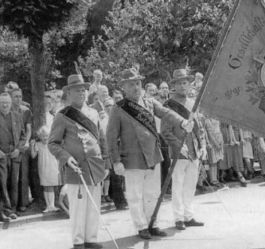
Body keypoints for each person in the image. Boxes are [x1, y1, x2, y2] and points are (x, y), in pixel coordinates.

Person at [107, 68, 193, 239]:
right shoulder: (118, 109)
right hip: (132, 159)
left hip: (152, 155)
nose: (135, 87)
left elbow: (166, 113)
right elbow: (111, 137)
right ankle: (141, 226)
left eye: (138, 83)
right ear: (124, 87)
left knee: (153, 193)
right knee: (135, 195)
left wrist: (182, 122)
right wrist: (116, 161)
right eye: (131, 84)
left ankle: (153, 223)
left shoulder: (149, 102)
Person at [48, 74, 110, 249]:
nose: (81, 93)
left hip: (95, 166)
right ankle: (78, 242)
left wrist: (106, 161)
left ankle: (91, 239)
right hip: (76, 168)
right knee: (78, 208)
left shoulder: (93, 112)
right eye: (77, 90)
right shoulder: (63, 115)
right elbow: (52, 143)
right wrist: (66, 158)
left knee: (94, 205)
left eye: (83, 90)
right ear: (68, 93)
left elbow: (102, 139)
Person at [161, 68, 207, 231]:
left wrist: (202, 145)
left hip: (194, 150)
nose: (182, 86)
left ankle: (189, 215)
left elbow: (199, 126)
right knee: (178, 185)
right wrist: (178, 147)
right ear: (174, 85)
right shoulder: (168, 105)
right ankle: (178, 218)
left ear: (189, 84)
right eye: (179, 83)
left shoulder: (193, 102)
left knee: (190, 185)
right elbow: (165, 132)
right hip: (178, 151)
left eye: (185, 82)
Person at [0, 93, 26, 220]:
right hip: (0, 155)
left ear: (11, 104)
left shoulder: (17, 116)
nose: (5, 105)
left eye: (7, 103)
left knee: (14, 182)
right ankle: (4, 209)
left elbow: (23, 136)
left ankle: (12, 209)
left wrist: (18, 149)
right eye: (2, 103)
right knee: (2, 182)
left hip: (14, 154)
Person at [9, 87, 32, 212]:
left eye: (20, 96)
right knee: (14, 176)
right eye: (15, 96)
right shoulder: (8, 110)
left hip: (24, 145)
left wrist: (27, 142)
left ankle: (23, 203)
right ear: (11, 98)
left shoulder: (26, 111)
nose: (18, 99)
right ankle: (13, 203)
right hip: (13, 147)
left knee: (24, 175)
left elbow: (28, 129)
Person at [31, 126, 62, 212]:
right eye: (43, 136)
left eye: (47, 136)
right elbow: (33, 156)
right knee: (45, 186)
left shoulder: (53, 144)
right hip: (43, 167)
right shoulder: (38, 145)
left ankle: (52, 205)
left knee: (51, 186)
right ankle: (48, 206)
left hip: (52, 167)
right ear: (40, 137)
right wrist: (32, 146)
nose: (45, 138)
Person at [200, 116, 223, 186]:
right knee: (212, 162)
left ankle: (215, 179)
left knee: (216, 161)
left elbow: (219, 130)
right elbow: (209, 134)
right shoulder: (207, 120)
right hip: (212, 143)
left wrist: (221, 142)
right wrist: (215, 144)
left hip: (219, 140)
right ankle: (213, 180)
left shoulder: (216, 118)